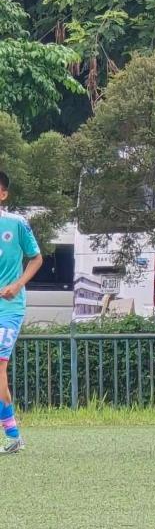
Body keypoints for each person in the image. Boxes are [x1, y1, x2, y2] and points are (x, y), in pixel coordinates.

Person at [0, 171, 43, 455]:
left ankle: (13, 435)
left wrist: (17, 285)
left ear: (3, 194)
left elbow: (36, 258)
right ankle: (13, 434)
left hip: (9, 308)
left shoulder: (16, 224)